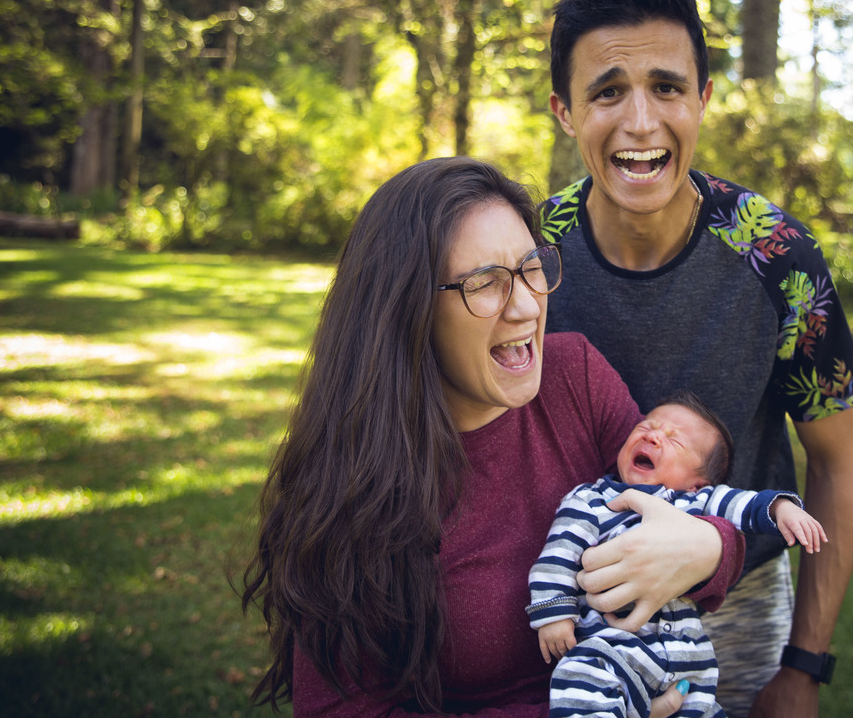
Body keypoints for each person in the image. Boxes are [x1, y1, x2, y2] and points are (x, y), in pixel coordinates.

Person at [239, 157, 746, 718]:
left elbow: (677, 501)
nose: (527, 306)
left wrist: (710, 548)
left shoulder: (574, 375)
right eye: (484, 283)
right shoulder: (349, 486)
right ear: (408, 309)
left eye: (532, 267)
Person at [540, 0, 853, 718]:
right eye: (607, 92)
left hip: (738, 611)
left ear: (704, 98)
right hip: (573, 613)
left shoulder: (777, 256)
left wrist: (805, 665)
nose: (641, 122)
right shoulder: (534, 255)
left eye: (667, 88)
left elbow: (839, 457)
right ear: (564, 111)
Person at [528, 392, 827, 718]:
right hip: (612, 649)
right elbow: (559, 552)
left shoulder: (695, 504)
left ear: (698, 484)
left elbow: (743, 504)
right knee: (581, 678)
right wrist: (554, 614)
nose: (653, 435)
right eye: (646, 426)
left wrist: (780, 508)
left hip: (687, 656)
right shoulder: (593, 499)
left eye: (675, 440)